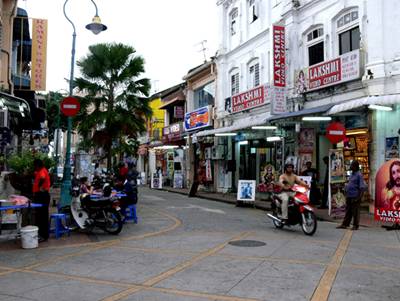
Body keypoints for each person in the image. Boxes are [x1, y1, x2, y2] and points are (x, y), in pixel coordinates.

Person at [337, 160, 367, 230]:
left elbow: (362, 187)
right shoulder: (352, 174)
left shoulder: (359, 175)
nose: (351, 167)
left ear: (356, 167)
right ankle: (345, 224)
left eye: (352, 165)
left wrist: (359, 198)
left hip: (355, 196)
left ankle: (355, 225)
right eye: (351, 165)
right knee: (348, 211)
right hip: (349, 195)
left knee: (355, 212)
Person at [32, 159, 51, 242]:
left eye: (35, 166)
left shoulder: (42, 171)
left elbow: (42, 178)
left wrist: (39, 187)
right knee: (41, 216)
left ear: (38, 165)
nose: (34, 168)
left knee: (42, 216)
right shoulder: (41, 171)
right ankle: (42, 235)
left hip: (42, 196)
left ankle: (43, 235)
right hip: (41, 195)